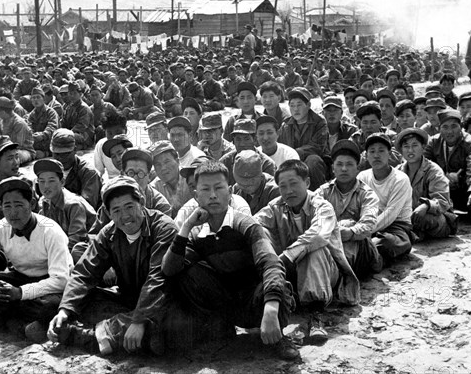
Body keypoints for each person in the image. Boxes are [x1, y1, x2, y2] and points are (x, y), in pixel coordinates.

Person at [162, 160, 299, 360]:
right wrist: (185, 228)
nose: (213, 195)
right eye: (205, 190)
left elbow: (271, 264)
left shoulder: (245, 224)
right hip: (225, 304)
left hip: (255, 301)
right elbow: (169, 270)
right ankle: (220, 331)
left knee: (280, 287)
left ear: (230, 191)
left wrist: (270, 308)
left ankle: (277, 339)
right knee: (186, 272)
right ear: (196, 195)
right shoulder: (197, 231)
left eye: (219, 188)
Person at [47, 176, 178, 356]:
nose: (124, 216)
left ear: (142, 203)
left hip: (163, 300)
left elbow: (158, 279)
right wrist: (65, 310)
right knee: (78, 301)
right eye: (116, 210)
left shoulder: (164, 228)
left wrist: (139, 320)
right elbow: (84, 273)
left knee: (167, 322)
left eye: (130, 207)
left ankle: (89, 337)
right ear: (108, 213)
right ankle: (109, 331)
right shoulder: (108, 234)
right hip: (130, 300)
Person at [254, 159, 360, 342]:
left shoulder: (322, 206)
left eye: (294, 184)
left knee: (314, 250)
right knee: (259, 233)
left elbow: (318, 235)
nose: (288, 191)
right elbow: (253, 223)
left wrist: (286, 256)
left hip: (327, 273)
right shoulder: (276, 206)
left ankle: (316, 316)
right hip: (292, 270)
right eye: (283, 186)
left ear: (308, 183)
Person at [0, 176, 73, 342]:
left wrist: (20, 293)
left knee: (51, 306)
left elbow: (61, 280)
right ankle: (17, 323)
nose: (13, 213)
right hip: (19, 279)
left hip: (48, 284)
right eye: (7, 206)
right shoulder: (2, 226)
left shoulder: (51, 231)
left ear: (33, 204)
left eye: (19, 205)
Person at [314, 140, 383, 279]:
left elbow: (368, 225)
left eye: (349, 164)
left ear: (357, 168)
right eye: (339, 164)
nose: (344, 169)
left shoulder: (367, 194)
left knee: (348, 224)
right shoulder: (323, 191)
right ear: (333, 168)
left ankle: (338, 277)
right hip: (330, 242)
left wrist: (350, 232)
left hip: (360, 248)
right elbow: (310, 213)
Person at [424, 109, 471, 225]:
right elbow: (425, 166)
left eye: (454, 126)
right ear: (439, 128)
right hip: (441, 186)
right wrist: (443, 177)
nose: (450, 131)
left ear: (461, 127)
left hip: (464, 186)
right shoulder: (433, 143)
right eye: (445, 127)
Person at [357, 133, 413, 264]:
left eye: (381, 151)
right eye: (372, 151)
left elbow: (390, 214)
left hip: (396, 226)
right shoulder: (362, 177)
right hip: (368, 224)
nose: (376, 155)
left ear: (390, 154)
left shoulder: (400, 179)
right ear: (366, 155)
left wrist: (361, 232)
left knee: (387, 243)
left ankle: (373, 257)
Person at [396, 128, 456, 240]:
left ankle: (411, 233)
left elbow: (443, 202)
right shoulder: (398, 171)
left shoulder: (433, 170)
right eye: (406, 147)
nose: (410, 150)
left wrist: (426, 206)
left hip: (436, 217)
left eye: (414, 145)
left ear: (423, 147)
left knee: (422, 218)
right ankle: (412, 233)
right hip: (408, 216)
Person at [278, 87, 330, 191]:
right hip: (292, 161)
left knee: (313, 161)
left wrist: (295, 153)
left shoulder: (319, 122)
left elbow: (317, 146)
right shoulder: (286, 125)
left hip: (316, 164)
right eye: (292, 106)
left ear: (308, 105)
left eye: (299, 105)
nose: (296, 109)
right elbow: (280, 146)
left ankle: (318, 194)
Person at [50, 129, 102, 210]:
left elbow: (87, 207)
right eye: (57, 154)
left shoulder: (88, 172)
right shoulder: (47, 171)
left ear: (75, 150)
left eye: (66, 154)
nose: (60, 158)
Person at [220, 119, 277, 186]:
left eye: (246, 139)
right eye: (238, 139)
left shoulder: (267, 164)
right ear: (233, 141)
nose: (242, 144)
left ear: (255, 140)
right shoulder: (225, 162)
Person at [149, 141, 192, 218]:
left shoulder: (190, 179)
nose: (163, 168)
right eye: (158, 164)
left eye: (167, 161)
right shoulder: (154, 188)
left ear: (177, 161)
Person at [232, 150, 280, 215]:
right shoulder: (236, 189)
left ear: (261, 177)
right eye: (241, 184)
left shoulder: (274, 191)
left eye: (249, 185)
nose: (244, 188)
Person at [0, 96, 35, 164]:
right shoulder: (0, 121)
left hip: (24, 150)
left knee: (14, 156)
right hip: (5, 149)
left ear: (3, 112)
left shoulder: (18, 123)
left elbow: (18, 145)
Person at [26, 87, 59, 159]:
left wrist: (42, 135)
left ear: (43, 99)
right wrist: (32, 135)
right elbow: (29, 127)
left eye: (38, 97)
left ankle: (47, 153)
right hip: (36, 140)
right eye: (33, 98)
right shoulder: (31, 115)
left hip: (48, 140)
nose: (35, 100)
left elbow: (52, 126)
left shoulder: (51, 112)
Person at [61, 82, 94, 150]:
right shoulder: (68, 108)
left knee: (69, 138)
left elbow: (81, 126)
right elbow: (64, 122)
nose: (72, 96)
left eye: (74, 93)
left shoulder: (84, 108)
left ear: (80, 94)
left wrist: (67, 134)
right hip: (72, 133)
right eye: (70, 93)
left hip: (85, 136)